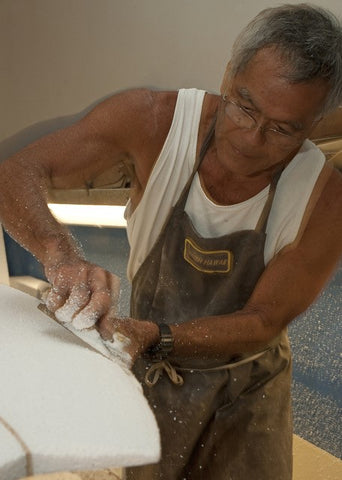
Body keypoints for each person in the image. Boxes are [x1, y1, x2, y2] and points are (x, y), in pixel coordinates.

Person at [0, 3, 341, 479]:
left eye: (284, 129)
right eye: (245, 106)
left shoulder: (324, 200)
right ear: (228, 73)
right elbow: (14, 174)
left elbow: (262, 320)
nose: (252, 137)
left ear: (315, 122)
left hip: (249, 389)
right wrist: (61, 255)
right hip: (149, 371)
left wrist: (157, 336)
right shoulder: (155, 123)